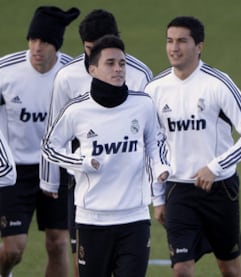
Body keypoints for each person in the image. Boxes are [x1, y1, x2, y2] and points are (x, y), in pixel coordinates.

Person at [41, 35, 170, 277]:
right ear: (93, 69)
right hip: (93, 221)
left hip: (135, 217)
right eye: (110, 63)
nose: (118, 69)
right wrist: (80, 163)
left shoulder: (142, 104)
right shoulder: (76, 110)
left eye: (122, 63)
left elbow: (155, 141)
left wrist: (161, 166)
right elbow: (49, 146)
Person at [145, 16, 241, 277]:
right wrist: (157, 197)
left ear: (199, 46)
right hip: (178, 190)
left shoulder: (218, 84)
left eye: (182, 41)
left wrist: (215, 166)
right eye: (169, 41)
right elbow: (151, 145)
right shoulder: (154, 89)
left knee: (230, 268)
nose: (174, 48)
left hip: (220, 190)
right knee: (182, 269)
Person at [0, 6, 79, 277]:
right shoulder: (6, 71)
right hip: (14, 170)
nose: (37, 47)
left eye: (44, 42)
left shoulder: (72, 73)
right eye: (33, 40)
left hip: (57, 168)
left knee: (58, 243)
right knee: (13, 248)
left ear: (56, 45)